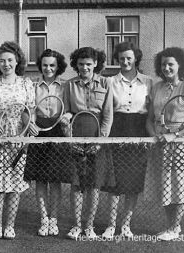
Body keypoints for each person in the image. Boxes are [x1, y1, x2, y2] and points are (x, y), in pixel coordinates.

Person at [145, 47, 184, 241]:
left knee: (180, 187)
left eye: (171, 64)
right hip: (160, 144)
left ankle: (175, 228)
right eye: (163, 64)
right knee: (165, 187)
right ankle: (171, 228)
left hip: (180, 145)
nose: (166, 68)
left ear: (180, 66)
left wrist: (174, 135)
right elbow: (149, 120)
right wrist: (156, 137)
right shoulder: (156, 88)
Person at [101, 42, 153, 239]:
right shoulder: (110, 81)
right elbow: (107, 111)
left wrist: (148, 136)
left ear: (136, 59)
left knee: (134, 181)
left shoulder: (148, 82)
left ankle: (126, 225)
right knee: (114, 182)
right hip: (117, 128)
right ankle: (111, 225)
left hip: (139, 131)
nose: (125, 62)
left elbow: (151, 113)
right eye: (122, 58)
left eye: (129, 58)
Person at [62, 47, 113, 240]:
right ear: (76, 64)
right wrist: (69, 138)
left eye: (89, 64)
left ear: (96, 64)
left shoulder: (106, 83)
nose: (85, 67)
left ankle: (89, 227)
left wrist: (100, 141)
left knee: (94, 185)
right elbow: (66, 112)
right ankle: (76, 226)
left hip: (97, 137)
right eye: (81, 64)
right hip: (76, 137)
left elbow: (108, 117)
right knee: (77, 184)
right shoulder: (69, 85)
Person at [0, 41, 35, 239]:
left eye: (9, 60)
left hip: (19, 137)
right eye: (2, 61)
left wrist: (28, 127)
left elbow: (29, 111)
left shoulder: (26, 83)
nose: (6, 64)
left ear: (17, 61)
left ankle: (9, 225)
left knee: (15, 184)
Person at [23, 49, 68, 236]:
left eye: (52, 65)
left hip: (58, 131)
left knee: (55, 179)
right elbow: (26, 110)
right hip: (39, 131)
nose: (48, 68)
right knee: (41, 179)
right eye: (45, 65)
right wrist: (30, 123)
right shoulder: (33, 85)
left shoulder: (65, 86)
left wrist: (66, 118)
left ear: (58, 67)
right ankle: (44, 219)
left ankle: (54, 220)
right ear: (40, 66)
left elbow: (69, 109)